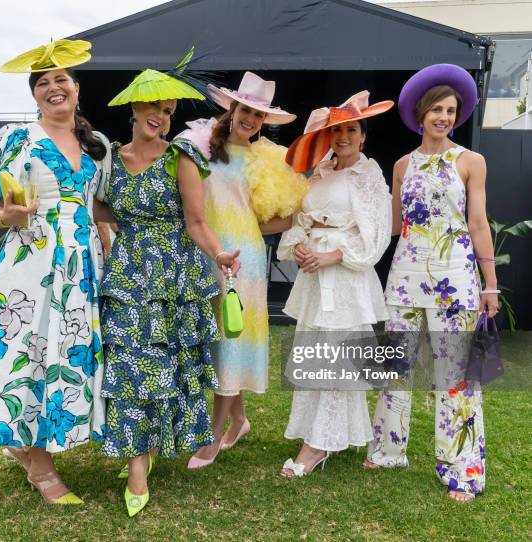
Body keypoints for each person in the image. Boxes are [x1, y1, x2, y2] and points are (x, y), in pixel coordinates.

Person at [0, 39, 110, 504]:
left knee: (63, 353)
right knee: (26, 350)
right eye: (43, 82)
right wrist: (8, 217)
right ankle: (38, 466)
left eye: (61, 79)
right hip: (31, 261)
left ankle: (27, 440)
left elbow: (95, 207)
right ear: (35, 95)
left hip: (81, 266)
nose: (53, 87)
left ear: (77, 89)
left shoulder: (95, 146)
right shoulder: (14, 138)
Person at [96, 49, 240, 516]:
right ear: (135, 109)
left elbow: (197, 223)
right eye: (154, 108)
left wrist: (219, 254)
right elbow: (100, 212)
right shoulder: (109, 162)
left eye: (169, 110)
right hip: (127, 276)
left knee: (163, 370)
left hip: (176, 278)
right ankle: (138, 464)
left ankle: (146, 449)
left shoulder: (181, 158)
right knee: (129, 367)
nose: (161, 116)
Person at [363, 64, 498, 502]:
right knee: (395, 369)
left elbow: (477, 224)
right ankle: (387, 450)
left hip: (456, 279)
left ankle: (461, 468)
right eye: (436, 109)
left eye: (451, 110)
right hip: (404, 277)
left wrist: (489, 284)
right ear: (420, 114)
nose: (443, 117)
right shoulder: (402, 164)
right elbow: (397, 226)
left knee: (453, 378)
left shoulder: (470, 161)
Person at [180, 72, 308, 468]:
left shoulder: (266, 160)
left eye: (259, 115)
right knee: (217, 342)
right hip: (203, 252)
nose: (251, 120)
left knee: (231, 341)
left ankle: (213, 438)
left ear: (265, 122)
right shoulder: (200, 147)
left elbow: (279, 219)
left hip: (243, 262)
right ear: (232, 109)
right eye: (246, 110)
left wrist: (259, 223)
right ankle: (239, 420)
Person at [277, 91, 393, 477]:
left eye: (351, 129)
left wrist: (334, 255)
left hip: (345, 278)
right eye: (337, 129)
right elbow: (300, 220)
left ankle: (316, 447)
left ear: (363, 136)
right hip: (314, 275)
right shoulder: (320, 173)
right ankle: (324, 434)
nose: (343, 136)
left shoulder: (368, 176)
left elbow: (376, 236)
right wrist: (301, 249)